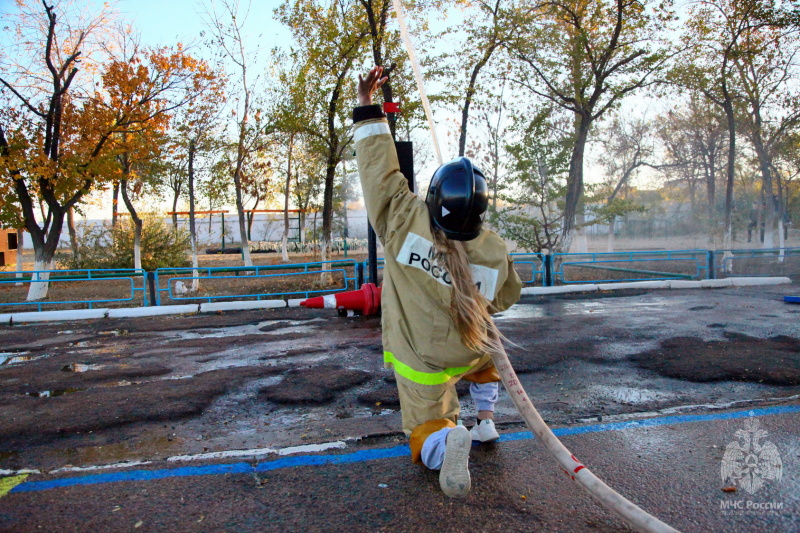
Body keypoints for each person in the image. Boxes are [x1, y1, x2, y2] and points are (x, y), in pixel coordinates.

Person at [353, 66, 523, 498]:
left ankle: (446, 441)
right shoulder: (493, 250)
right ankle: (486, 422)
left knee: (424, 423)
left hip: (423, 359)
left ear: (433, 198)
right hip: (470, 350)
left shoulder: (403, 220)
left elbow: (380, 174)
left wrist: (368, 105)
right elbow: (505, 299)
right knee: (486, 360)